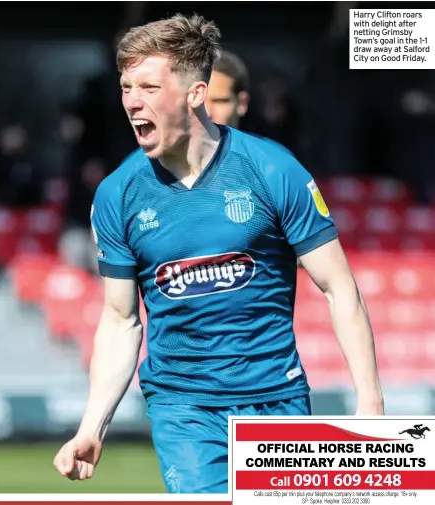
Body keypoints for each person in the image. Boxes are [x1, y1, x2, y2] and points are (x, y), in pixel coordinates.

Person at [53, 13, 384, 493]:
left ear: (195, 94)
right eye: (126, 87)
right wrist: (92, 426)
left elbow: (339, 289)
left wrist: (370, 403)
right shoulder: (116, 195)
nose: (132, 101)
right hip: (183, 406)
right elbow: (121, 320)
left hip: (276, 397)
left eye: (148, 86)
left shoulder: (273, 170)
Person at [205, 50, 250, 129]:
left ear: (242, 103)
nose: (207, 113)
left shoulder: (260, 142)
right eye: (197, 101)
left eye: (219, 101)